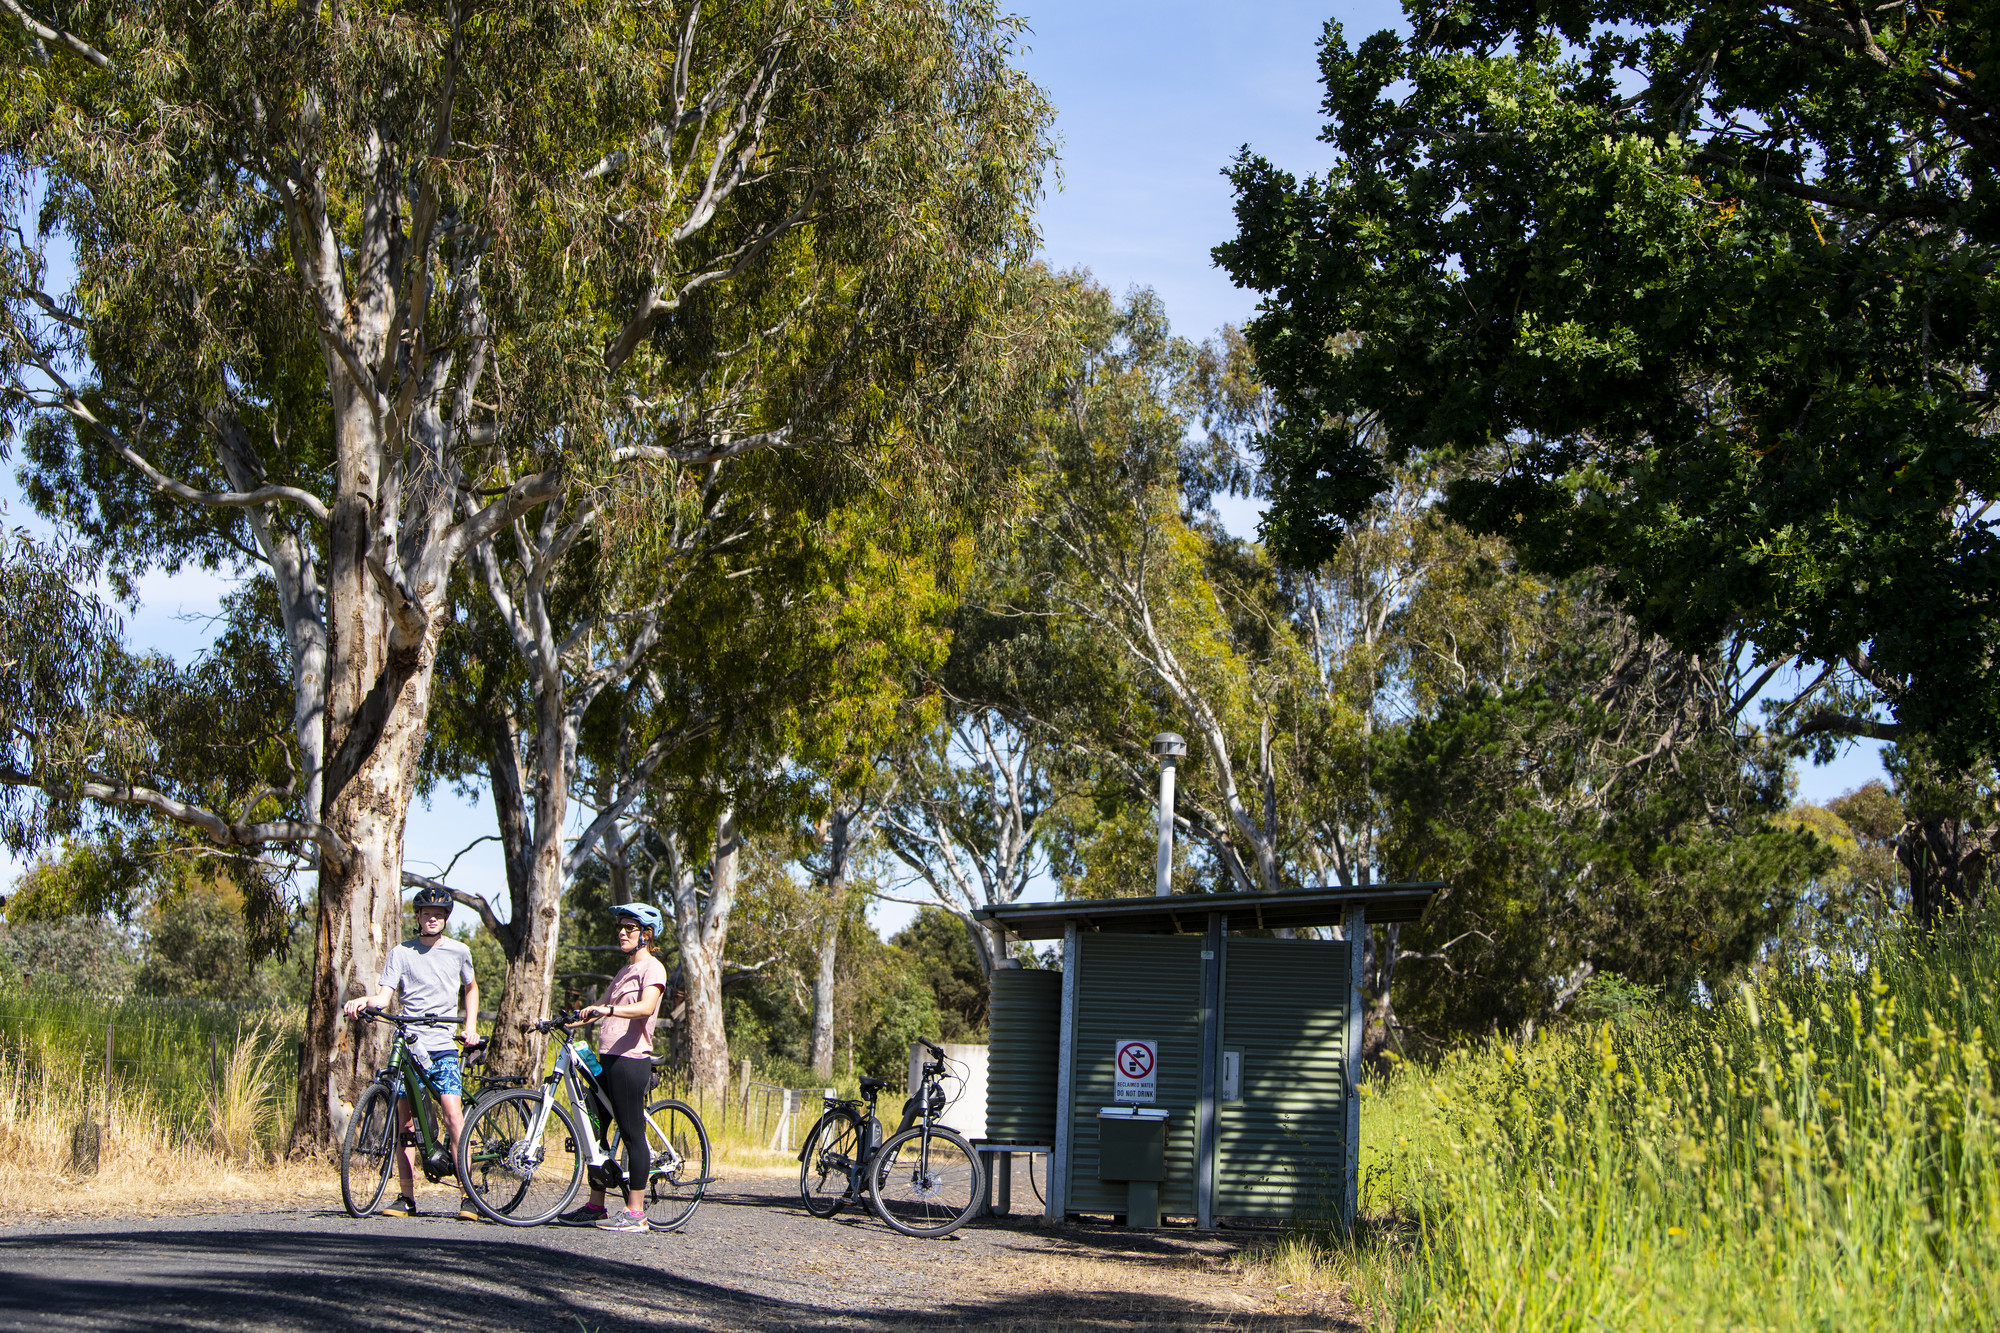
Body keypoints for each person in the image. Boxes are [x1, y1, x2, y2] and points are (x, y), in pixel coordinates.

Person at [341, 885, 482, 1220]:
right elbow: (384, 996)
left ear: (445, 918)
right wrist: (364, 1000)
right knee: (404, 1125)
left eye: (438, 915)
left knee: (453, 1117)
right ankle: (406, 1198)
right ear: (417, 917)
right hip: (409, 1045)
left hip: (443, 1046)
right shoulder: (400, 953)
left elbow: (471, 988)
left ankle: (469, 1196)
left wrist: (471, 1025)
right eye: (426, 914)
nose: (431, 919)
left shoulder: (459, 951)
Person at [559, 903, 668, 1231]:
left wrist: (607, 1010)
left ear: (645, 935)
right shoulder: (623, 973)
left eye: (629, 928)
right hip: (607, 1058)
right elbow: (597, 1012)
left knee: (633, 1133)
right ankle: (597, 1205)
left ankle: (636, 1214)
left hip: (631, 1060)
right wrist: (563, 1021)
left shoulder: (654, 969)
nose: (621, 932)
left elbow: (646, 1007)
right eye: (620, 927)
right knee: (595, 1129)